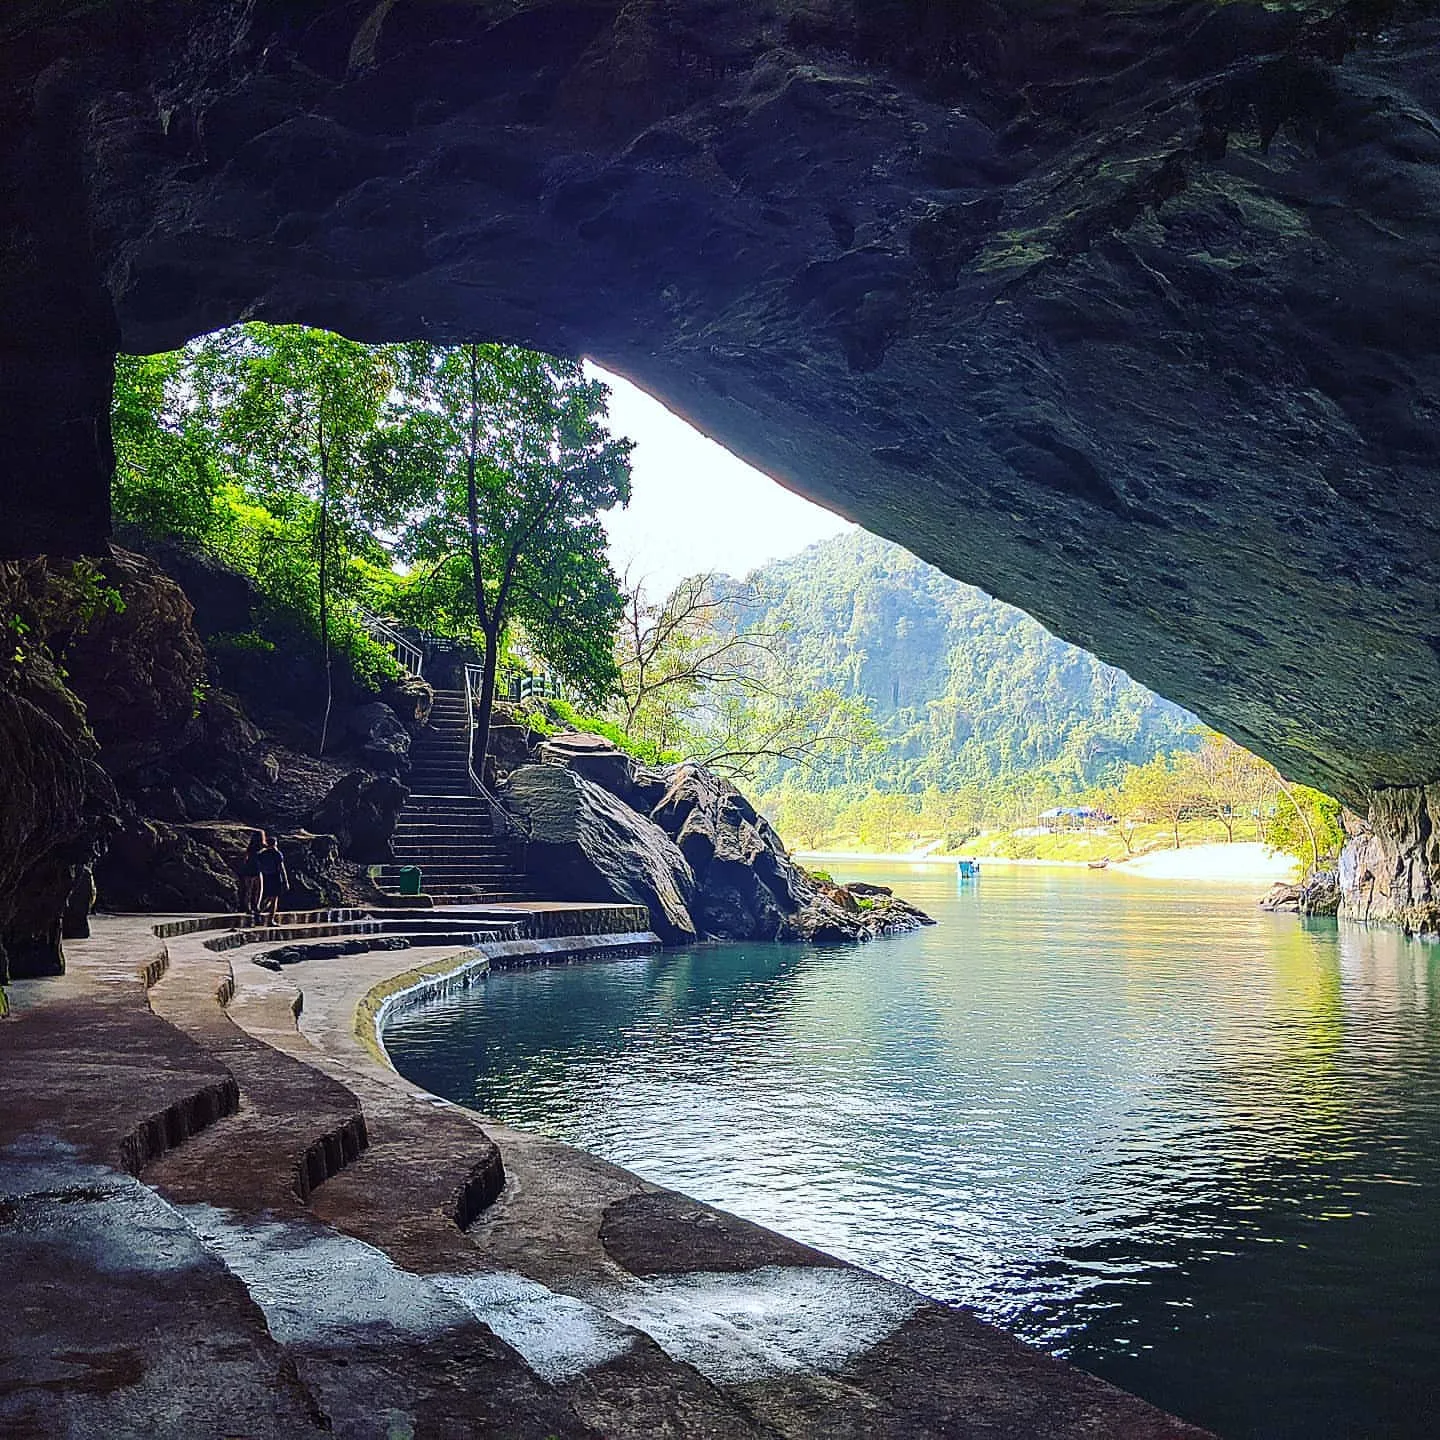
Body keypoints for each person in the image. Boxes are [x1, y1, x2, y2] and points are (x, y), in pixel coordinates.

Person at [254, 832, 290, 925]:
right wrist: (285, 881)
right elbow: (281, 868)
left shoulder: (262, 854)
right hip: (275, 876)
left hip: (266, 876)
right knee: (274, 899)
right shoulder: (277, 854)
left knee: (268, 897)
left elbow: (258, 865)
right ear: (275, 844)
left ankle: (258, 911)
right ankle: (271, 920)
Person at [238, 831, 264, 921]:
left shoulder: (250, 848)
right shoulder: (262, 848)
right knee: (259, 889)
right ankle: (257, 906)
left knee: (248, 889)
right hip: (258, 869)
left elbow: (245, 859)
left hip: (249, 869)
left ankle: (248, 907)